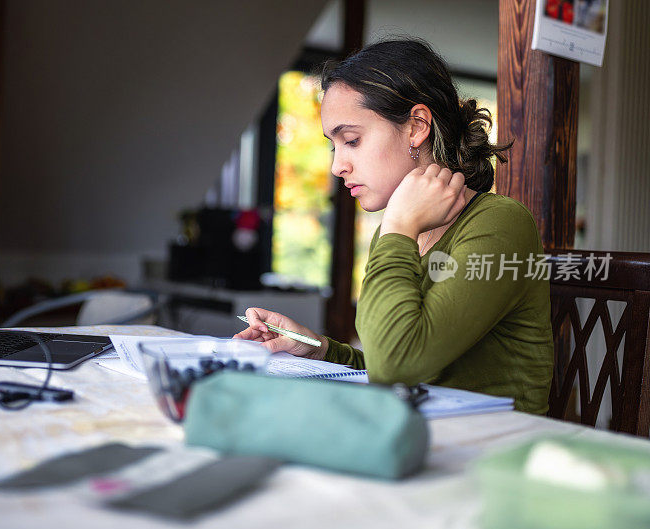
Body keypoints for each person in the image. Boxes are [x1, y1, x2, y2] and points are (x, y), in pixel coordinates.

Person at [234, 38, 554, 414]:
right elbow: (399, 372)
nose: (337, 166)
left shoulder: (500, 223)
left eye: (351, 140)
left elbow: (397, 365)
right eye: (334, 146)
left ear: (417, 126)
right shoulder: (406, 229)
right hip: (423, 441)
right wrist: (320, 349)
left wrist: (399, 226)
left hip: (494, 453)